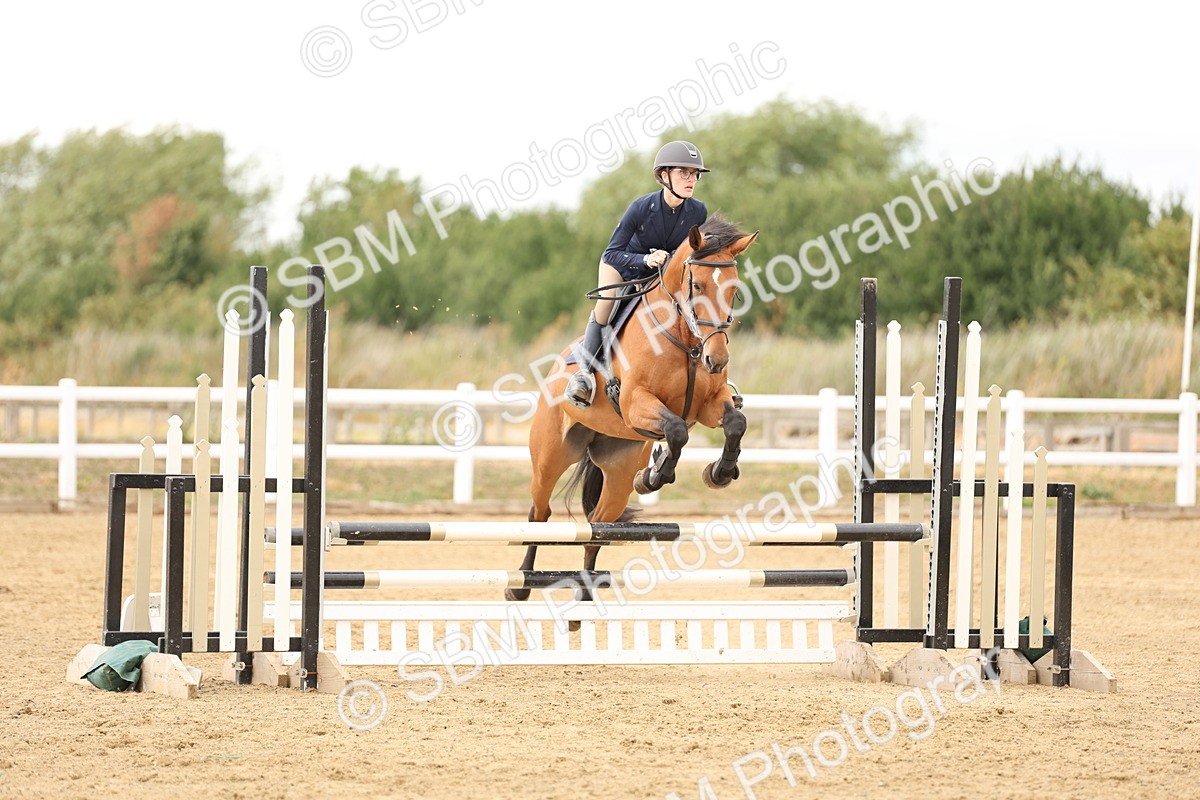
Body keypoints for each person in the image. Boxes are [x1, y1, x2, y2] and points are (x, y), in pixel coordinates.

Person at [564, 140, 710, 408]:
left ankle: (710, 376)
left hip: (664, 276)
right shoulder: (641, 208)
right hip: (623, 266)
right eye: (684, 173)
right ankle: (584, 375)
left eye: (695, 174)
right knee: (608, 302)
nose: (692, 180)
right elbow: (611, 253)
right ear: (664, 176)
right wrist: (646, 258)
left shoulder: (698, 211)